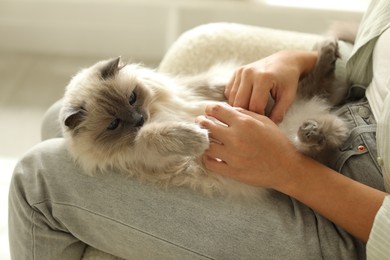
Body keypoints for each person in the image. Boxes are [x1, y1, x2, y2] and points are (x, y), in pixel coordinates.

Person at [8, 0, 390, 259]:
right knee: (55, 119)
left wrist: (288, 169)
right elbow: (369, 71)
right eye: (117, 121)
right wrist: (297, 62)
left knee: (37, 178)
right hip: (347, 113)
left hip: (345, 219)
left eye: (134, 103)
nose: (137, 118)